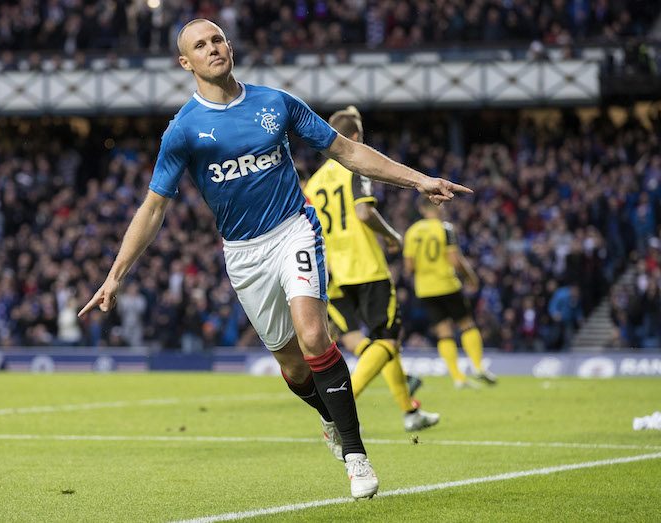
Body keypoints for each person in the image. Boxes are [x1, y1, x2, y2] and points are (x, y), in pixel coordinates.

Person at [78, 18, 472, 500]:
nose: (212, 48)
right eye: (200, 45)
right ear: (186, 63)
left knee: (314, 335)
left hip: (294, 229)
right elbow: (154, 207)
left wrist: (419, 180)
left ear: (230, 46)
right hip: (244, 254)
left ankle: (356, 455)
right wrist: (115, 276)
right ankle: (330, 419)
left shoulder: (276, 103)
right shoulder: (182, 130)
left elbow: (347, 151)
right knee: (293, 365)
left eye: (217, 39)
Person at [302, 106, 440, 433]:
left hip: (333, 271)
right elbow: (364, 214)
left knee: (368, 342)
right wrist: (392, 236)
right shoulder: (354, 166)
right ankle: (337, 412)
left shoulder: (315, 183)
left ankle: (409, 411)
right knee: (388, 341)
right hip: (366, 267)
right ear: (353, 138)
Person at [403, 197, 496, 388]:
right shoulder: (445, 228)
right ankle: (478, 367)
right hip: (447, 285)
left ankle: (458, 378)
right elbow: (455, 259)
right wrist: (470, 277)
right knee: (467, 325)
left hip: (425, 289)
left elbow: (409, 267)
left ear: (422, 210)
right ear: (438, 207)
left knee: (443, 332)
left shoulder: (412, 232)